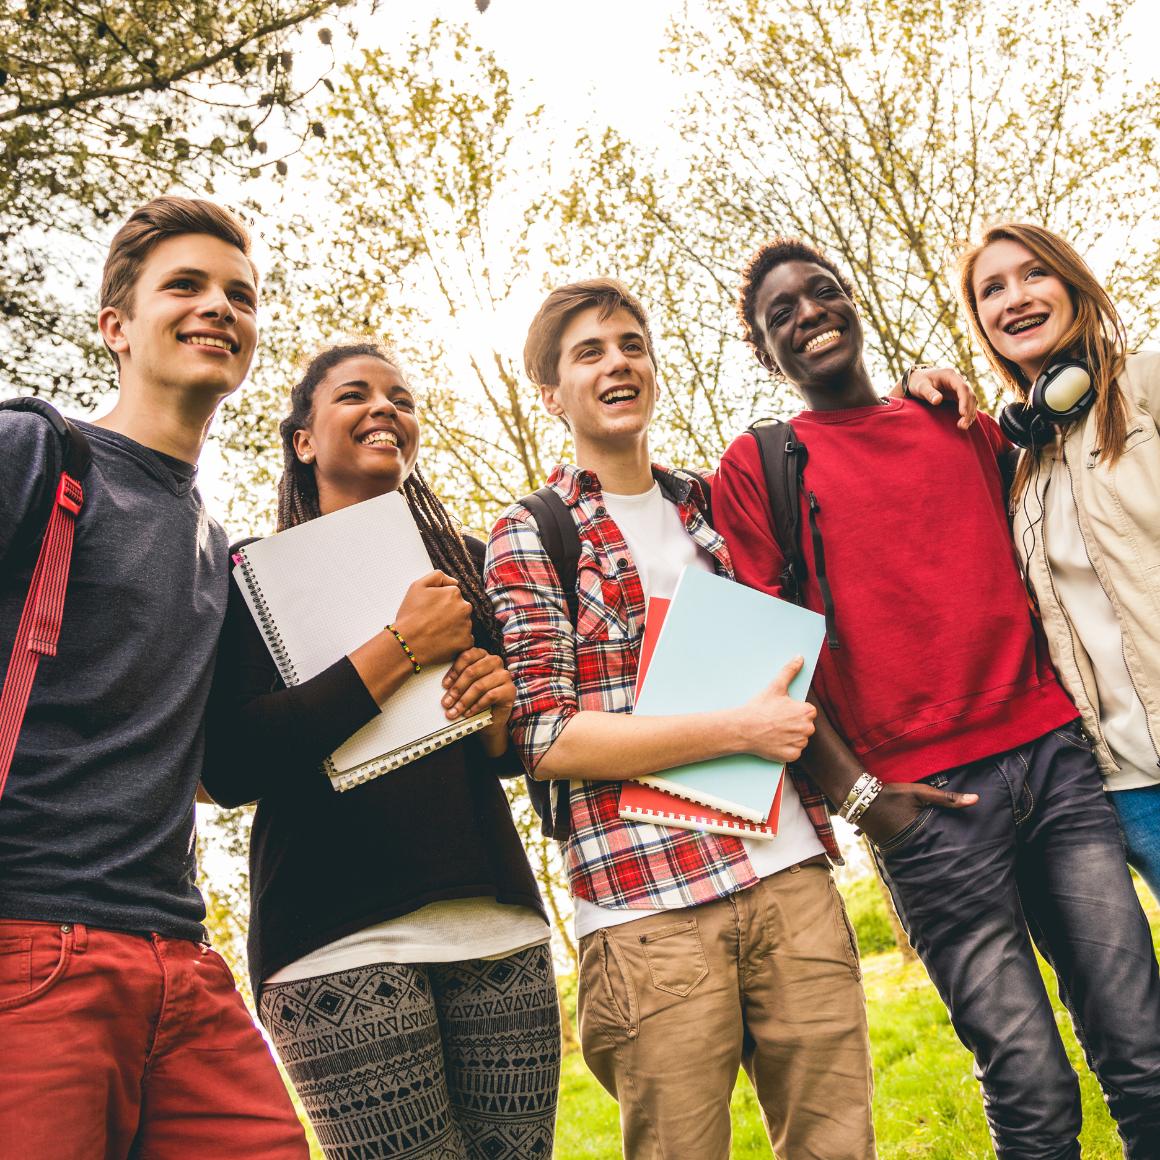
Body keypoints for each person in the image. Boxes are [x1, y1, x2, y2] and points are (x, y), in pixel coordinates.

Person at [713, 235, 1160, 1159]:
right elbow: (764, 662)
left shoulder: (965, 426)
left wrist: (946, 381)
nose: (809, 315)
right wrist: (864, 800)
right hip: (929, 814)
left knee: (1145, 1051)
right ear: (765, 351)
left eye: (823, 292)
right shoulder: (758, 468)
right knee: (1032, 1093)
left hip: (1058, 765)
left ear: (854, 305)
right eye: (780, 314)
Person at [485, 278, 878, 1160]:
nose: (617, 362)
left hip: (789, 880)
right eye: (588, 352)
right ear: (552, 395)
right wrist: (737, 731)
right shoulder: (531, 532)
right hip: (648, 913)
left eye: (631, 344)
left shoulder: (718, 506)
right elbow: (546, 737)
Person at [0, 198, 308, 1156]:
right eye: (185, 285)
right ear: (116, 327)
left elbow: (219, 769)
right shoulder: (38, 452)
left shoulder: (220, 548)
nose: (219, 306)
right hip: (32, 943)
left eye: (240, 295)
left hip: (185, 963)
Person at [202, 341, 560, 1160]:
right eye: (354, 395)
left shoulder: (465, 562)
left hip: (493, 920)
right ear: (302, 439)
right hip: (335, 939)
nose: (384, 409)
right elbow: (228, 764)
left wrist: (496, 701)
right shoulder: (248, 578)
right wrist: (400, 645)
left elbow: (500, 755)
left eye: (401, 397)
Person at [957, 222, 1160, 901]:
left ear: (1073, 287)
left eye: (1033, 274)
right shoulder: (1023, 465)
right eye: (992, 289)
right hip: (1129, 783)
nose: (1014, 297)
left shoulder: (1146, 387)